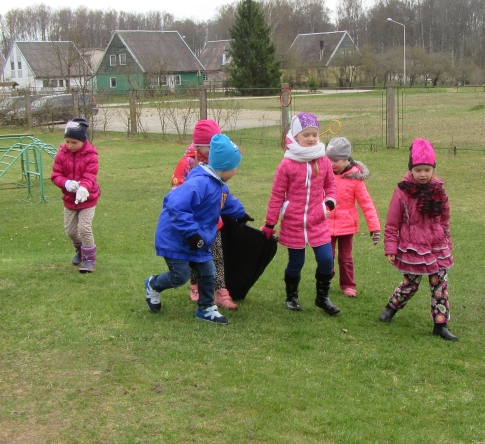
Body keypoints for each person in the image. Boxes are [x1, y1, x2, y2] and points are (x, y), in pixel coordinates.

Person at [145, 134, 252, 324]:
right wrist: (191, 233)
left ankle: (205, 309)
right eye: (234, 167)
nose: (235, 171)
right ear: (225, 166)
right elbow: (175, 203)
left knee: (208, 271)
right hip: (176, 238)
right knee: (180, 277)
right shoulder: (199, 182)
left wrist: (240, 214)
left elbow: (227, 202)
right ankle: (153, 284)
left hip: (200, 238)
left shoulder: (219, 186)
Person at [263, 112, 340, 315]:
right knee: (296, 262)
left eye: (315, 134)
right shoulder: (287, 164)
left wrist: (328, 205)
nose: (312, 138)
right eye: (307, 135)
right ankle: (291, 296)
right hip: (294, 222)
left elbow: (331, 186)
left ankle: (322, 297)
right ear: (296, 136)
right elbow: (277, 194)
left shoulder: (323, 160)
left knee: (326, 259)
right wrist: (270, 224)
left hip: (317, 221)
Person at [380, 138, 457, 341]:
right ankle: (392, 306)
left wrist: (446, 239)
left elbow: (445, 217)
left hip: (436, 246)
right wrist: (391, 247)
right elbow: (392, 222)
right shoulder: (402, 192)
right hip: (412, 247)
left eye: (427, 170)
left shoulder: (439, 190)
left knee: (440, 285)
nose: (423, 174)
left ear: (433, 169)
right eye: (418, 170)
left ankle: (441, 324)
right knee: (410, 284)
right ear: (411, 169)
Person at [170, 119, 238, 310]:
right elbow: (177, 191)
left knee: (216, 256)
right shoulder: (187, 163)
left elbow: (222, 188)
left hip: (213, 222)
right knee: (195, 256)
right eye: (210, 147)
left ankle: (221, 292)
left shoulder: (216, 160)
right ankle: (195, 286)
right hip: (193, 223)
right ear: (200, 145)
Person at [325, 137, 381, 298]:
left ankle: (348, 285)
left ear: (346, 159)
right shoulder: (324, 176)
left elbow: (367, 204)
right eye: (329, 160)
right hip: (326, 223)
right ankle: (326, 276)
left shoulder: (355, 180)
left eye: (336, 160)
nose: (332, 164)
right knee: (327, 256)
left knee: (346, 257)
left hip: (347, 226)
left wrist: (374, 227)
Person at [50, 118, 100, 273]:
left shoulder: (91, 155)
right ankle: (80, 250)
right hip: (69, 199)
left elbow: (90, 175)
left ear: (82, 140)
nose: (70, 145)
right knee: (71, 231)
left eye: (74, 142)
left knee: (84, 228)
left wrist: (84, 188)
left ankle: (89, 260)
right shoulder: (61, 154)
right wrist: (65, 183)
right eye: (67, 141)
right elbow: (55, 175)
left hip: (88, 199)